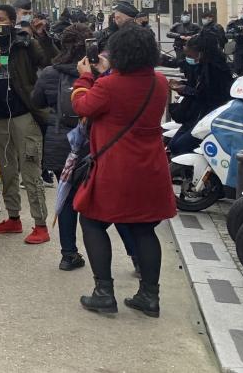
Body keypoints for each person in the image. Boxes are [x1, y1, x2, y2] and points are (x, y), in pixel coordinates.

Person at [72, 24, 177, 318]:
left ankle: (103, 292)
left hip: (116, 167)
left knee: (92, 222)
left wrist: (86, 76)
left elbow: (82, 105)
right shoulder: (160, 82)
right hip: (151, 166)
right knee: (144, 229)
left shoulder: (107, 85)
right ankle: (149, 296)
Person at [0, 3, 56, 244]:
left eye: (2, 19)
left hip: (23, 115)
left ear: (12, 21)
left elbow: (50, 61)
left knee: (30, 170)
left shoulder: (25, 42)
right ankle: (13, 218)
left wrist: (42, 35)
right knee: (7, 170)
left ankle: (40, 224)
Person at [32, 24, 93, 269]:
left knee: (66, 197)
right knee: (93, 200)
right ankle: (132, 255)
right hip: (91, 143)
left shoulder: (49, 72)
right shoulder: (97, 74)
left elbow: (37, 100)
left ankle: (68, 254)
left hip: (60, 141)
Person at [169, 32, 233, 156]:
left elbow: (211, 96)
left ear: (201, 52)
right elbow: (196, 85)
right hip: (196, 114)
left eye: (190, 54)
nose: (188, 57)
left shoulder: (217, 70)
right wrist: (183, 85)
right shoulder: (200, 66)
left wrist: (186, 90)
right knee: (174, 144)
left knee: (180, 145)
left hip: (211, 116)